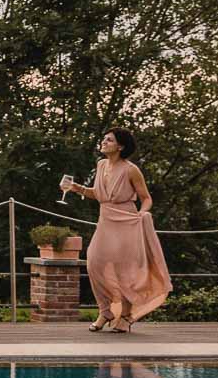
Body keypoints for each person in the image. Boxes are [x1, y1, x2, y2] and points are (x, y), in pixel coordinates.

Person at [62, 127, 172, 332]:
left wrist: (142, 214)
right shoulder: (101, 164)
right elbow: (99, 194)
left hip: (127, 221)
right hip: (106, 220)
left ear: (120, 146)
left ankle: (127, 315)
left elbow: (146, 198)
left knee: (124, 270)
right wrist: (77, 188)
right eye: (104, 139)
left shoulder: (131, 170)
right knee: (94, 262)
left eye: (109, 140)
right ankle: (105, 311)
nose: (104, 142)